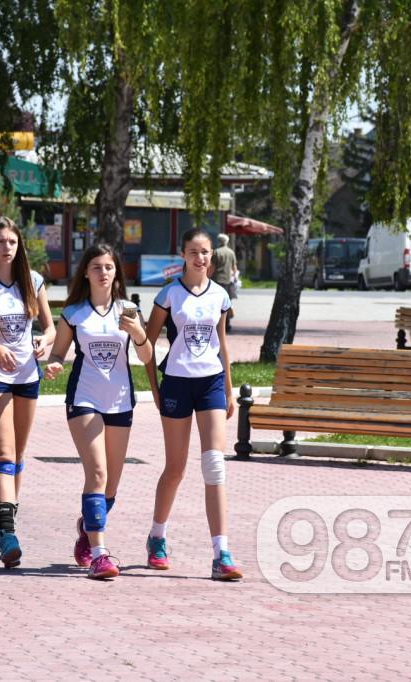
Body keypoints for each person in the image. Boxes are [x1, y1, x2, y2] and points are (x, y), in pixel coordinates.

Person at [43, 243, 152, 580]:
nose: (103, 273)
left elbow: (148, 358)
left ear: (116, 271)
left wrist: (137, 334)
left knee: (111, 488)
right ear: (86, 273)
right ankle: (100, 555)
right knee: (98, 474)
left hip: (120, 400)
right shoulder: (74, 313)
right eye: (96, 267)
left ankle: (86, 527)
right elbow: (58, 354)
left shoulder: (129, 309)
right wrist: (54, 366)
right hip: (85, 398)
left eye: (108, 267)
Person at [144, 228, 243, 581]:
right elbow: (147, 342)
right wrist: (154, 387)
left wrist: (229, 391)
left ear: (211, 257)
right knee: (176, 468)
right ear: (183, 256)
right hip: (177, 383)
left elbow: (223, 345)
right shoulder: (170, 294)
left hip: (211, 383)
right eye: (193, 252)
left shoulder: (220, 296)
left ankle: (222, 554)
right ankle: (157, 536)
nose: (200, 258)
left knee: (214, 465)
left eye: (205, 252)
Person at [0, 217, 56, 568]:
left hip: (28, 375)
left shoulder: (32, 281)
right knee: (4, 452)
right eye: (1, 242)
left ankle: (9, 516)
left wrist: (45, 342)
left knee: (20, 453)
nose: (7, 248)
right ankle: (5, 530)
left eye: (12, 242)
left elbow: (50, 327)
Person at [210, 233, 238, 332]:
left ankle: (217, 324)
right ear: (227, 241)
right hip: (227, 280)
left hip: (217, 280)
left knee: (216, 303)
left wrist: (207, 277)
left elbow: (212, 266)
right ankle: (227, 324)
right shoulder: (231, 252)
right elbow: (234, 267)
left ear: (219, 241)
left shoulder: (216, 252)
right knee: (226, 302)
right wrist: (235, 277)